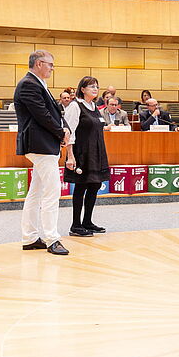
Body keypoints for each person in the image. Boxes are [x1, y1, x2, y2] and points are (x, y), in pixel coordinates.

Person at [14, 50, 70, 256]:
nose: (52, 68)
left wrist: (64, 129)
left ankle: (29, 237)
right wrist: (61, 132)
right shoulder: (29, 84)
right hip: (39, 145)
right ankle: (52, 238)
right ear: (38, 63)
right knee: (52, 190)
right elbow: (42, 115)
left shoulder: (38, 84)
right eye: (50, 64)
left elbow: (53, 112)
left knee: (36, 192)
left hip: (44, 144)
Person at [64, 76, 109, 237]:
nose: (95, 89)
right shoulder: (75, 106)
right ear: (82, 89)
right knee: (81, 186)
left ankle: (87, 222)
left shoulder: (94, 106)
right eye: (91, 86)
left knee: (94, 185)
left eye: (97, 86)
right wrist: (70, 156)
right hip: (81, 152)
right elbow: (69, 132)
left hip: (96, 152)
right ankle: (76, 225)